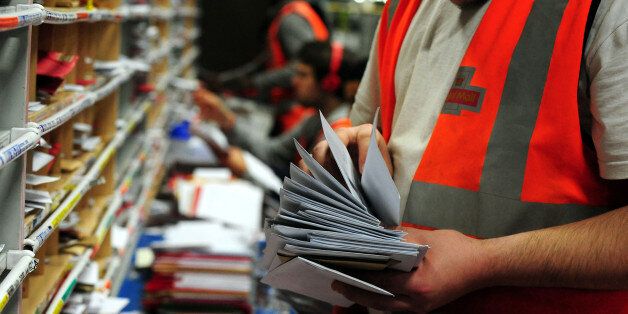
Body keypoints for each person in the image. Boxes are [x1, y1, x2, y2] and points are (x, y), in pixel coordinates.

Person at [306, 0, 628, 312]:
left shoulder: (605, 10)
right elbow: (363, 122)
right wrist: (349, 155)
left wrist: (485, 261)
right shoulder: (404, 7)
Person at [194, 41, 362, 178]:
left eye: (303, 75)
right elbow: (273, 153)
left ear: (328, 83)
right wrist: (226, 120)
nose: (294, 81)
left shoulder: (341, 132)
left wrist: (248, 171)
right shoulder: (316, 119)